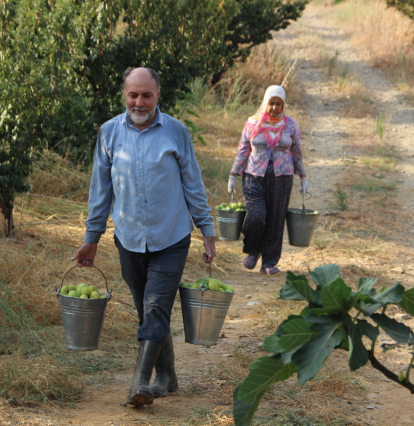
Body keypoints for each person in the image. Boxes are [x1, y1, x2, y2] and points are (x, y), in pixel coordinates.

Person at [70, 67, 216, 407]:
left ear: (158, 95)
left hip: (172, 235)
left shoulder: (176, 132)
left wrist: (207, 230)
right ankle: (168, 376)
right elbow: (100, 189)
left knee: (155, 308)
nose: (139, 102)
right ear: (124, 94)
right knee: (147, 310)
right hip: (130, 238)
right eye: (133, 94)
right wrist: (92, 236)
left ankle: (140, 382)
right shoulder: (108, 133)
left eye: (146, 95)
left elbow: (193, 183)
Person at [227, 85, 307, 275]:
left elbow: (297, 152)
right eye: (271, 103)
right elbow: (243, 149)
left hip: (282, 177)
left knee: (276, 219)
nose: (274, 108)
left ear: (283, 105)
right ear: (265, 102)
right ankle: (254, 250)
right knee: (256, 216)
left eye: (279, 104)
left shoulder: (291, 125)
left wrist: (302, 176)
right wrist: (233, 174)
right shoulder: (252, 123)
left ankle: (269, 262)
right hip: (253, 175)